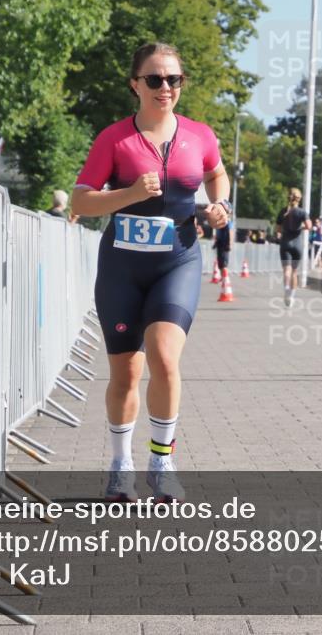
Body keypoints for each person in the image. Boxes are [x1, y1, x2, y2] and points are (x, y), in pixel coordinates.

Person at [71, 42, 230, 503]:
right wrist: (129, 194)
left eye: (174, 80)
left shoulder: (199, 135)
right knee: (125, 372)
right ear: (135, 84)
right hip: (122, 267)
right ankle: (121, 465)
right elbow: (81, 201)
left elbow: (216, 174)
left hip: (176, 261)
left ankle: (162, 462)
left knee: (164, 357)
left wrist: (220, 205)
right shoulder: (114, 139)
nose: (166, 88)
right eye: (156, 79)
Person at [275, 187, 311, 307]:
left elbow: (278, 229)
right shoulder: (302, 212)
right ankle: (291, 296)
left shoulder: (283, 211)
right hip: (298, 244)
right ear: (299, 199)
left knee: (287, 270)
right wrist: (300, 227)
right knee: (294, 272)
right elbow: (309, 226)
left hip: (285, 243)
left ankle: (286, 289)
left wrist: (285, 229)